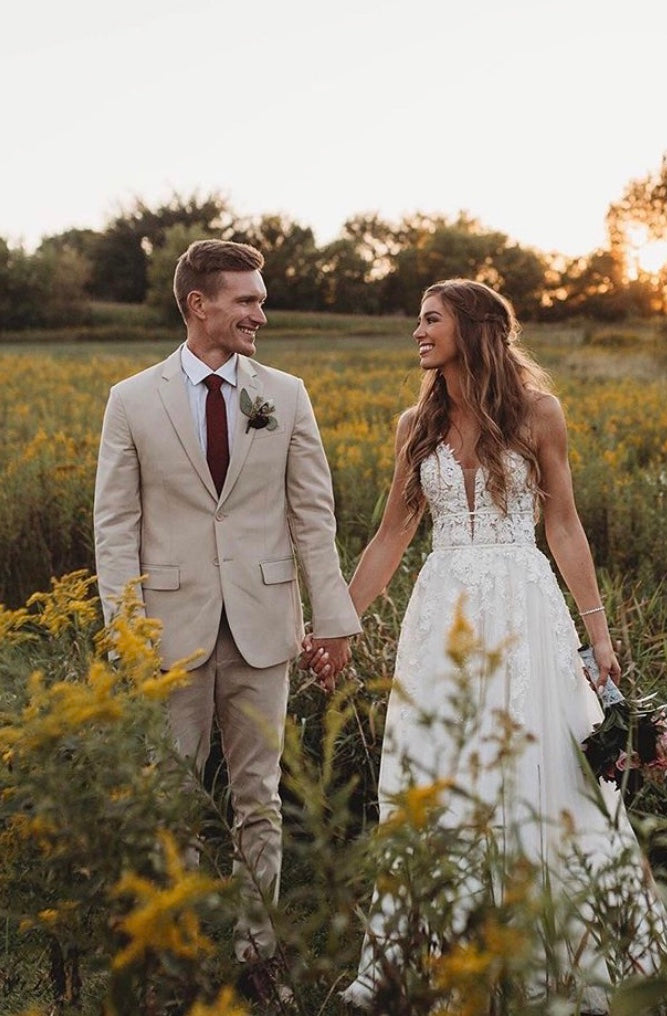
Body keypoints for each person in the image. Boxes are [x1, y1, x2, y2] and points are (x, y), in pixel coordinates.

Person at [324, 279, 667, 1012]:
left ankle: (553, 952)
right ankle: (429, 952)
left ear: (475, 328)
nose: (417, 332)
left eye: (431, 320)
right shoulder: (413, 424)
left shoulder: (538, 413)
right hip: (441, 611)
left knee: (539, 764)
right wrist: (340, 620)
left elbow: (565, 526)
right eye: (418, 319)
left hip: (526, 607)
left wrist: (598, 631)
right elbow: (392, 535)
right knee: (440, 764)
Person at [93, 239, 360, 1001]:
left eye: (261, 298)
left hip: (263, 624)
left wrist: (333, 621)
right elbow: (114, 526)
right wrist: (127, 629)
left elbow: (314, 516)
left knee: (259, 795)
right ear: (198, 305)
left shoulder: (287, 394)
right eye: (246, 300)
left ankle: (255, 953)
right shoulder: (131, 400)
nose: (260, 313)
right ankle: (169, 950)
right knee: (169, 793)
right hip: (166, 632)